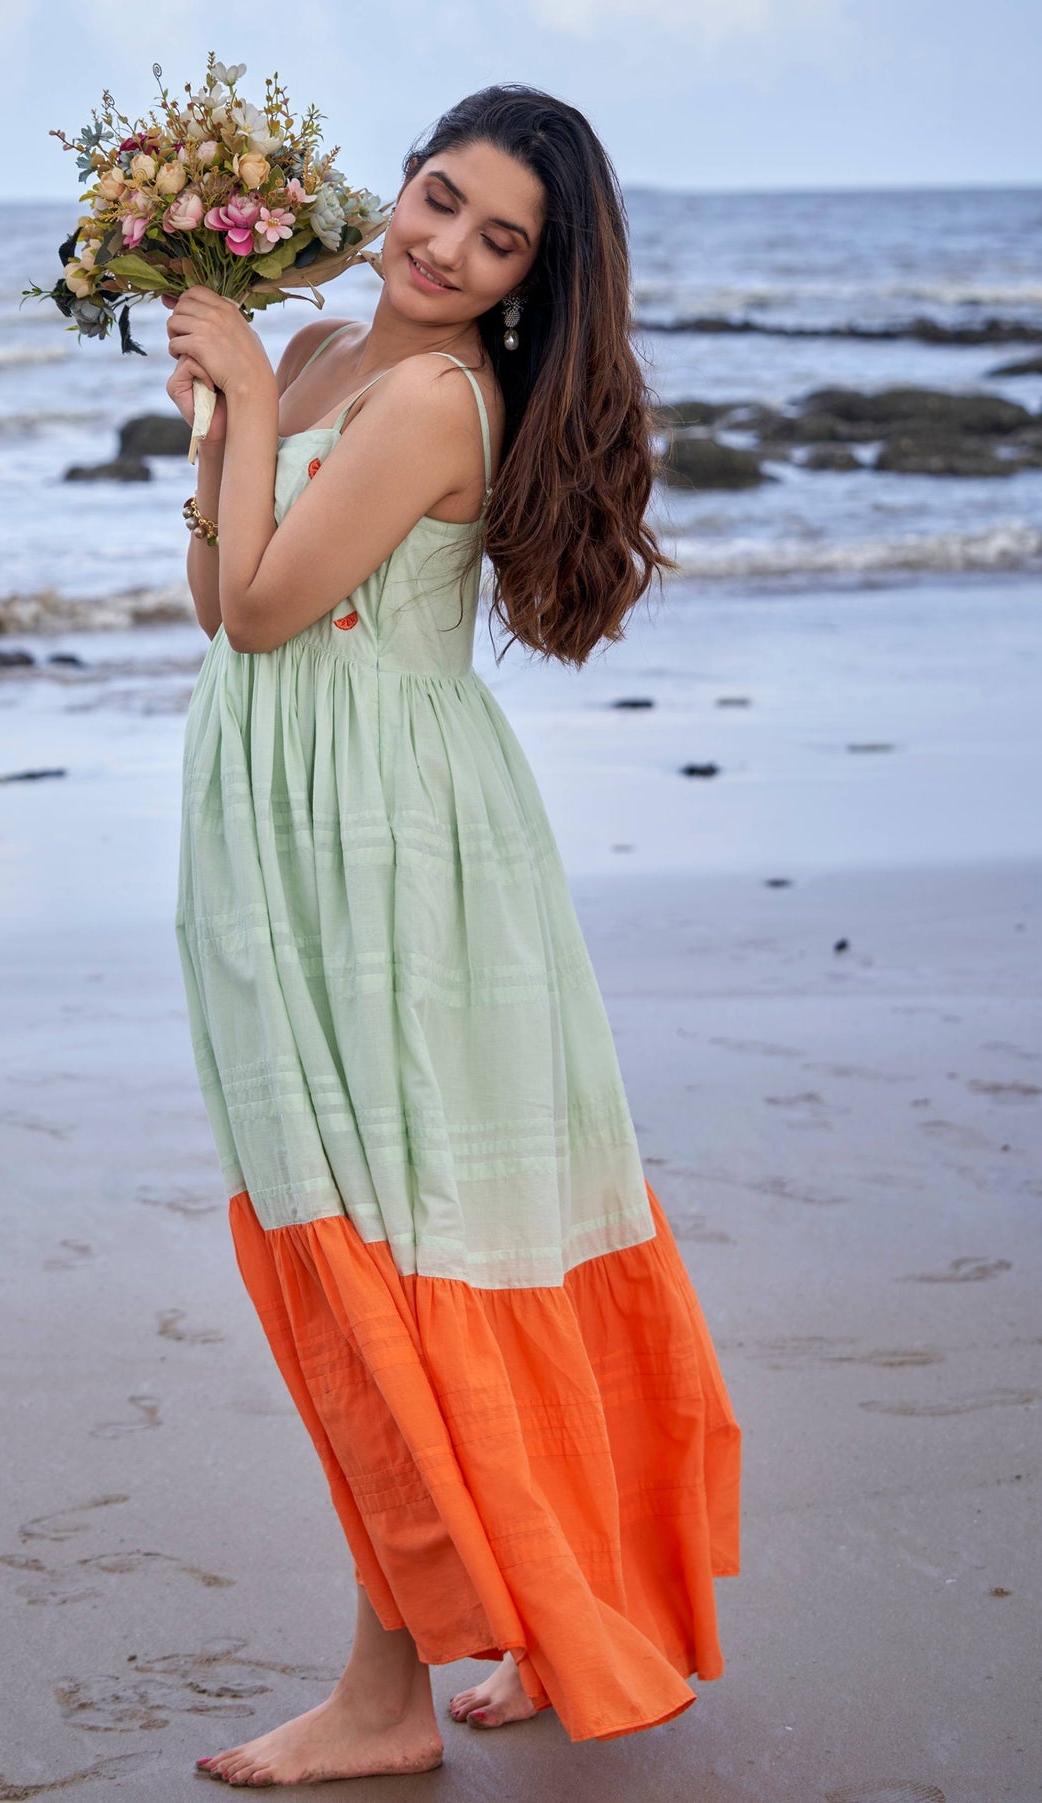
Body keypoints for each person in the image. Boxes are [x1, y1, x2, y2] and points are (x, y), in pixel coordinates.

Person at [164, 82, 741, 1789]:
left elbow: (269, 614)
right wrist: (227, 415)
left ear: (527, 283)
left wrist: (253, 393)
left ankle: (383, 1697)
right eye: (437, 199)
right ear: (398, 182)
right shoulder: (342, 342)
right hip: (306, 813)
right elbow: (220, 590)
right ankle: (564, 1615)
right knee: (436, 1225)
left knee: (403, 1237)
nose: (445, 248)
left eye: (498, 242)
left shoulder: (423, 391)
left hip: (390, 845)